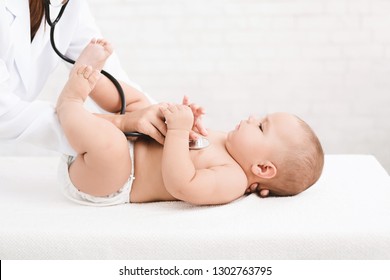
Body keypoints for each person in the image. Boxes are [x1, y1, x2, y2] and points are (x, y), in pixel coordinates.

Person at [56, 39, 324, 206]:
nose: (252, 118)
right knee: (142, 103)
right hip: (132, 143)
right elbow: (186, 149)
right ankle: (91, 75)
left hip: (111, 181)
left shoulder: (233, 180)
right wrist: (185, 123)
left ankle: (71, 100)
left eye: (262, 126)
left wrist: (179, 130)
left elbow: (182, 183)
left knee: (111, 145)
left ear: (263, 168)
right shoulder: (226, 143)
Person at [0, 0, 206, 157]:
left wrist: (165, 117)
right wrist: (121, 123)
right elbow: (4, 111)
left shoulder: (68, 6)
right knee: (74, 98)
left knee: (89, 79)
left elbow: (111, 76)